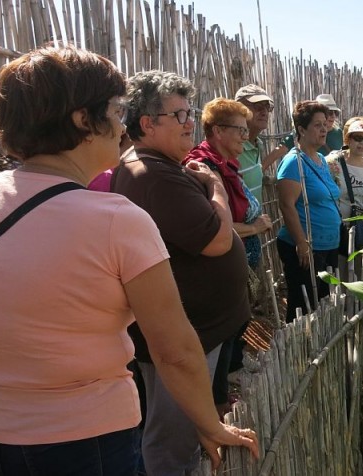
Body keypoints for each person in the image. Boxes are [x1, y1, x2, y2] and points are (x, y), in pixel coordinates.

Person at [0, 45, 257, 476]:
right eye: (118, 109)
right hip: (82, 440)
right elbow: (174, 349)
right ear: (83, 120)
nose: (123, 124)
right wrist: (209, 424)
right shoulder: (115, 219)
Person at [111, 70, 255, 475]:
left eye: (190, 112)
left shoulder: (160, 167)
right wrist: (216, 190)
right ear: (147, 123)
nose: (190, 123)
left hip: (198, 331)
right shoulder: (152, 174)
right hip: (185, 336)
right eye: (180, 115)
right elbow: (218, 241)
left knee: (184, 424)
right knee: (170, 435)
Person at [184, 97, 273, 415]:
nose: (245, 136)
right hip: (216, 273)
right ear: (218, 131)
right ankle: (214, 404)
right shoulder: (201, 169)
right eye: (239, 129)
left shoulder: (225, 166)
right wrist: (253, 229)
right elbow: (212, 227)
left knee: (232, 332)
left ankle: (221, 392)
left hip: (234, 267)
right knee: (218, 337)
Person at [276, 100, 341, 322]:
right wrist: (302, 243)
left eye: (325, 124)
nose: (324, 129)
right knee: (303, 306)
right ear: (301, 130)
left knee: (321, 302)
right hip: (307, 248)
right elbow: (286, 205)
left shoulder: (321, 159)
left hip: (328, 244)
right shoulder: (293, 163)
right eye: (317, 125)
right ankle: (301, 352)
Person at [235, 84, 289, 201]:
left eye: (267, 107)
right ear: (239, 109)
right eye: (258, 106)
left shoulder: (257, 144)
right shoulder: (231, 148)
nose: (265, 112)